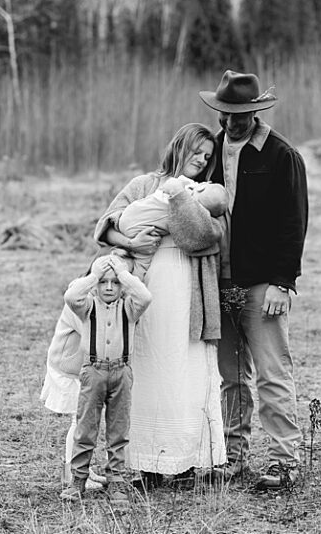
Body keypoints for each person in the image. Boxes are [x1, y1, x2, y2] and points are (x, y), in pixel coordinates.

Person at [94, 123, 228, 480]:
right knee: (148, 363)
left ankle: (184, 460)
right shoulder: (143, 185)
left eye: (208, 155)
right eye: (196, 151)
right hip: (145, 282)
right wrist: (132, 242)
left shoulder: (207, 192)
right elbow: (105, 226)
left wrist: (181, 205)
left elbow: (208, 235)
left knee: (184, 364)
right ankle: (144, 463)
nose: (201, 159)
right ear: (179, 147)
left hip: (189, 286)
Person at [203, 70, 310, 490]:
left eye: (241, 113)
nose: (233, 121)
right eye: (226, 113)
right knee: (230, 375)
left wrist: (283, 282)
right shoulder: (209, 152)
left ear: (255, 111)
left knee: (271, 372)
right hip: (220, 280)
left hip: (264, 283)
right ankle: (233, 455)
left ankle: (286, 461)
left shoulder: (281, 154)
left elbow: (294, 222)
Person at [61, 253, 153, 500]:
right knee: (86, 428)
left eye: (115, 282)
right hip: (93, 371)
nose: (109, 286)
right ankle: (77, 480)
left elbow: (145, 296)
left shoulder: (129, 309)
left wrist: (124, 273)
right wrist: (93, 275)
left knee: (118, 430)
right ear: (96, 285)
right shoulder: (88, 306)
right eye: (104, 282)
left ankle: (117, 482)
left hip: (122, 372)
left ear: (123, 285)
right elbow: (71, 296)